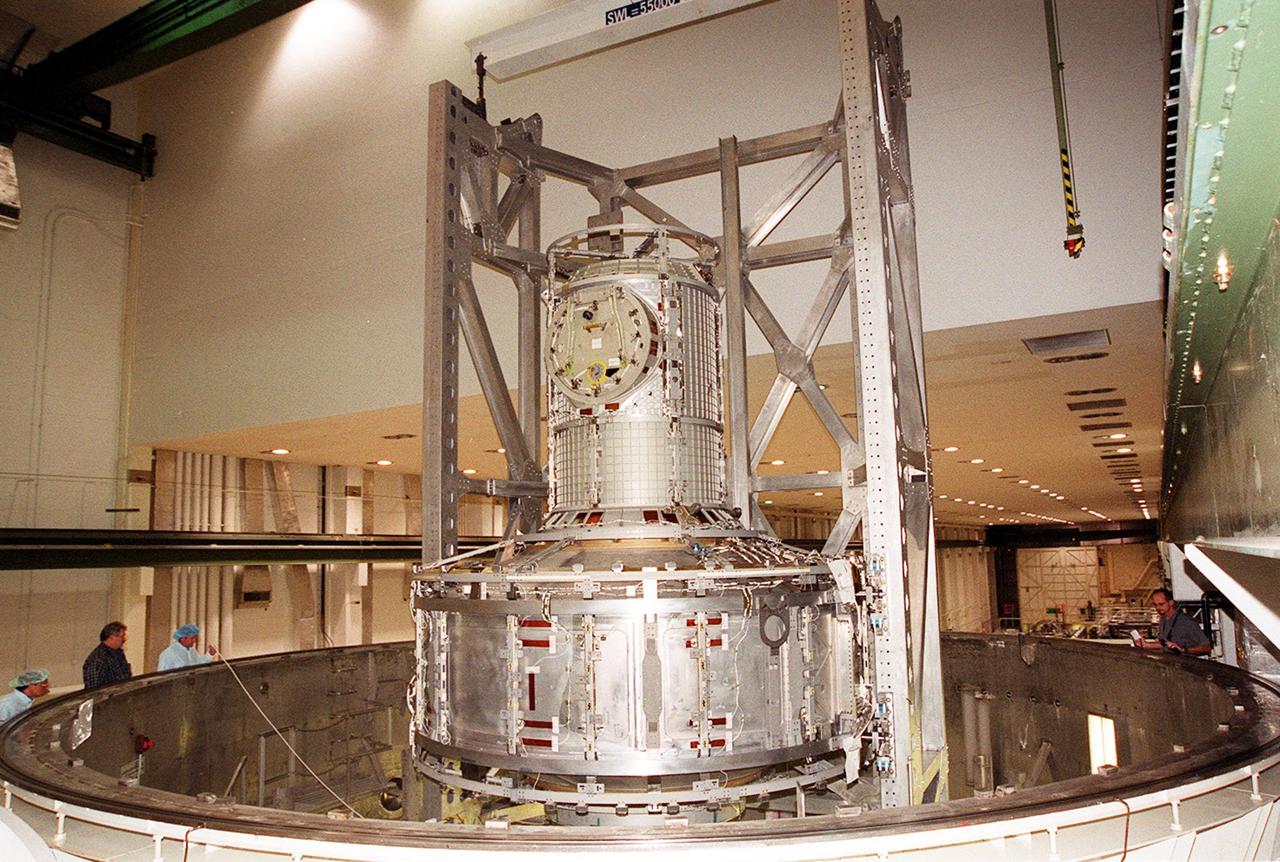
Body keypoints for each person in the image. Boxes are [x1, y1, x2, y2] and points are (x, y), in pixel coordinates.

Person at [1135, 588, 1212, 656]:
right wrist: (1146, 645)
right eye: (1155, 605)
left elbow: (1207, 648)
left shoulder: (1185, 621)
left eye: (1161, 604)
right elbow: (1166, 644)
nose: (1158, 608)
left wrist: (1184, 650)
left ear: (1171, 602)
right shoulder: (1163, 619)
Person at [82, 622, 133, 690]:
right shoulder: (98, 659)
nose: (124, 639)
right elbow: (93, 690)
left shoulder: (118, 653)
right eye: (122, 636)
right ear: (111, 638)